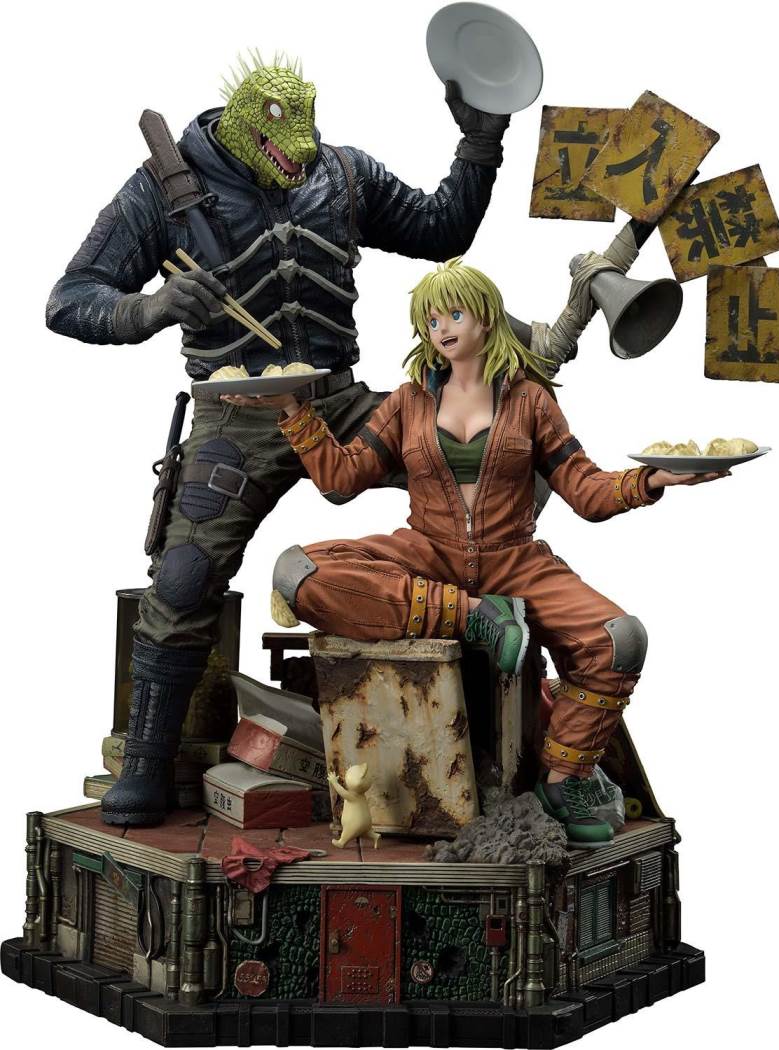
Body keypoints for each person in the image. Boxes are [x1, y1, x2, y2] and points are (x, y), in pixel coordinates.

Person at [44, 53, 515, 826]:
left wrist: (480, 143)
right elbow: (69, 301)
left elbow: (441, 229)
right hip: (236, 414)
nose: (296, 158)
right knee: (184, 578)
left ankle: (485, 693)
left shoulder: (342, 173)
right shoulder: (161, 190)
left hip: (341, 400)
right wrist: (153, 308)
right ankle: (148, 763)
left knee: (491, 463)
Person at [257, 259, 729, 848]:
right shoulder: (407, 402)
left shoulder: (531, 401)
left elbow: (585, 491)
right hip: (426, 554)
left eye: (454, 314)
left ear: (486, 317)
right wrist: (291, 411)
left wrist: (651, 480)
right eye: (431, 320)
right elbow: (341, 479)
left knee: (620, 639)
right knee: (298, 572)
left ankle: (565, 779)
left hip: (516, 560)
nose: (442, 329)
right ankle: (473, 614)